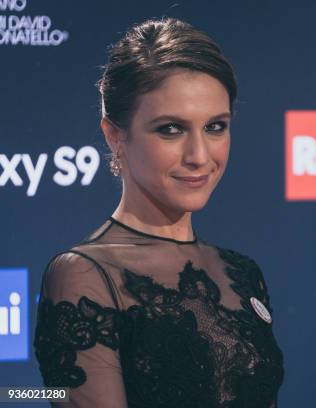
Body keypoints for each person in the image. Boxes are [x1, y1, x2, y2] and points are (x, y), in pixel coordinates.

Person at [33, 17, 284, 407]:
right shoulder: (85, 274)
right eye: (171, 129)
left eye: (216, 127)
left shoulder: (243, 273)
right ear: (115, 135)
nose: (200, 156)